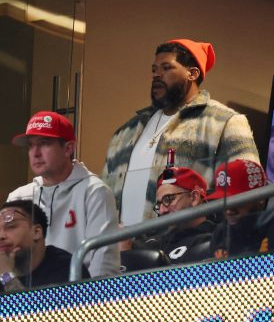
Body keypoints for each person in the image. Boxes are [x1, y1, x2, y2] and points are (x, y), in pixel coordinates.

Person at [102, 38, 259, 225]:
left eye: (167, 68)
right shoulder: (125, 133)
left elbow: (247, 191)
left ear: (192, 73)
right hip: (121, 250)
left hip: (187, 248)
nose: (157, 75)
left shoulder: (224, 122)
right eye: (154, 70)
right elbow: (105, 198)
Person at [8, 111, 120, 278]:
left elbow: (103, 264)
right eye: (31, 145)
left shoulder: (95, 192)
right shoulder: (18, 198)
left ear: (68, 148)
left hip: (78, 297)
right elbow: (7, 259)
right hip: (26, 298)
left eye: (44, 143)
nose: (35, 152)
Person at [128, 167, 216, 264]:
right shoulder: (153, 240)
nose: (161, 211)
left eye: (168, 199)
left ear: (194, 198)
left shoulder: (214, 240)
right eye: (159, 204)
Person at [0, 200, 89, 293]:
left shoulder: (69, 268)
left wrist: (6, 277)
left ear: (36, 232)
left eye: (11, 226)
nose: (1, 236)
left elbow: (30, 307)